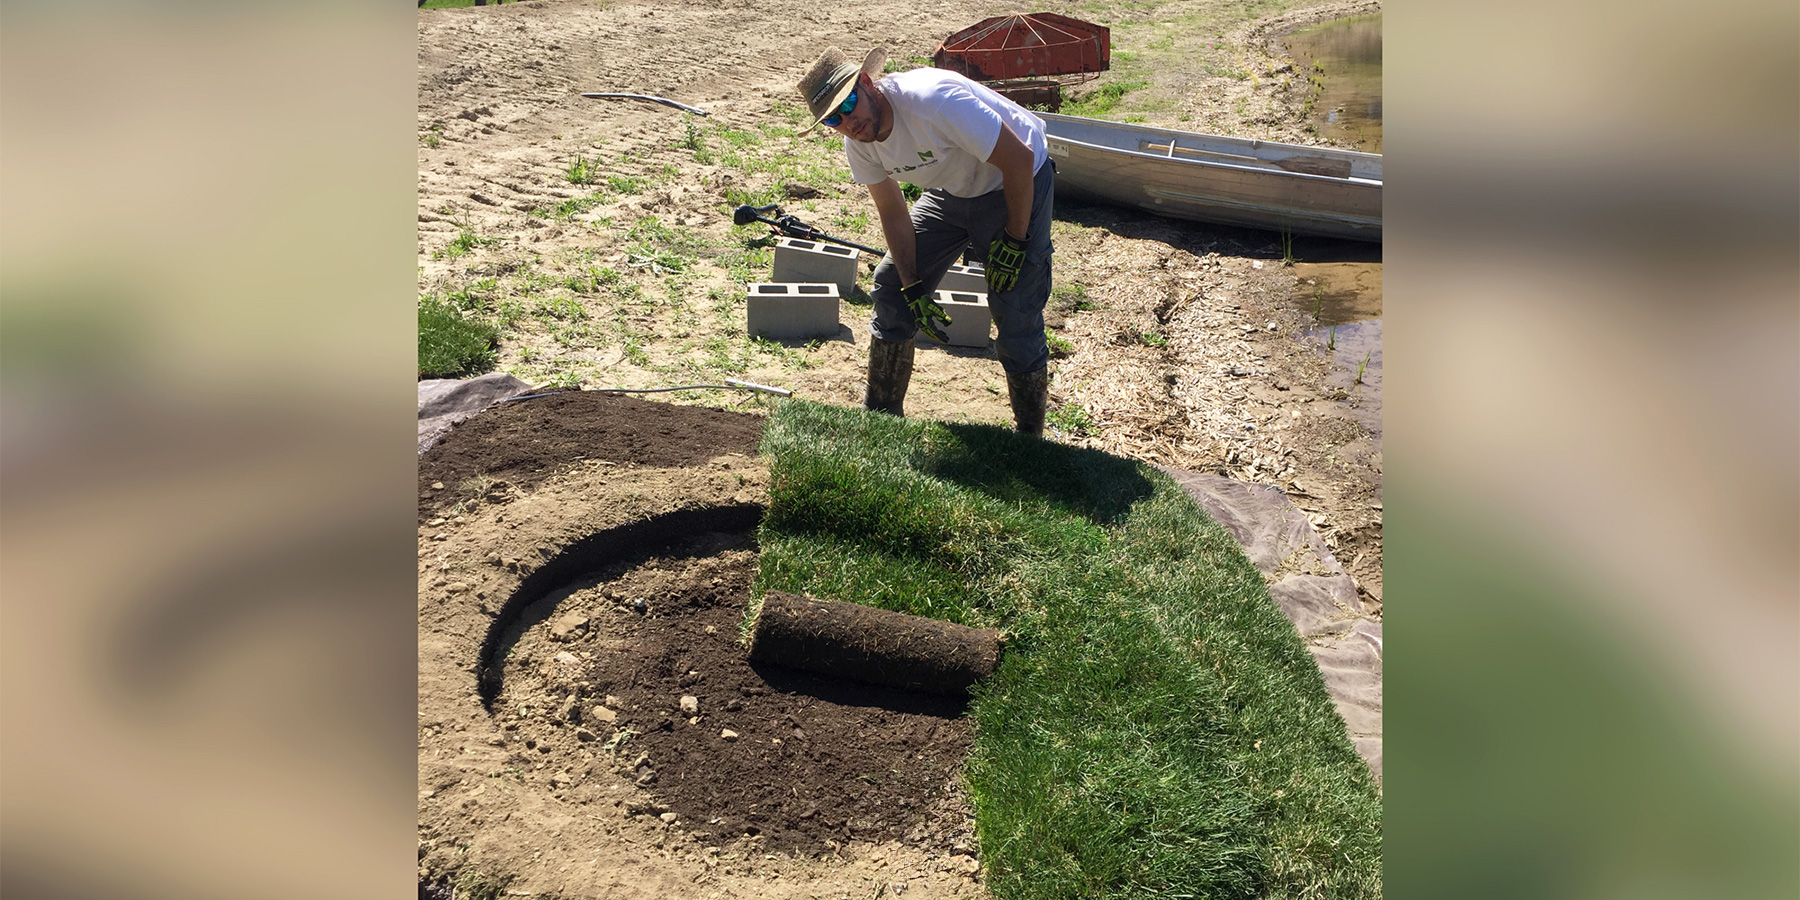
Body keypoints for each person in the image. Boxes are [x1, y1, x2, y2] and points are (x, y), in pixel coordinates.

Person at [796, 46, 1056, 435]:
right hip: (950, 189)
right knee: (892, 286)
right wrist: (912, 283)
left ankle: (1030, 435)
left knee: (1014, 304)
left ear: (867, 83)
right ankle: (882, 418)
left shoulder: (933, 101)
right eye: (834, 118)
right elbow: (892, 211)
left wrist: (1016, 240)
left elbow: (1018, 159)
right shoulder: (859, 144)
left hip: (1014, 179)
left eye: (849, 103)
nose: (849, 121)